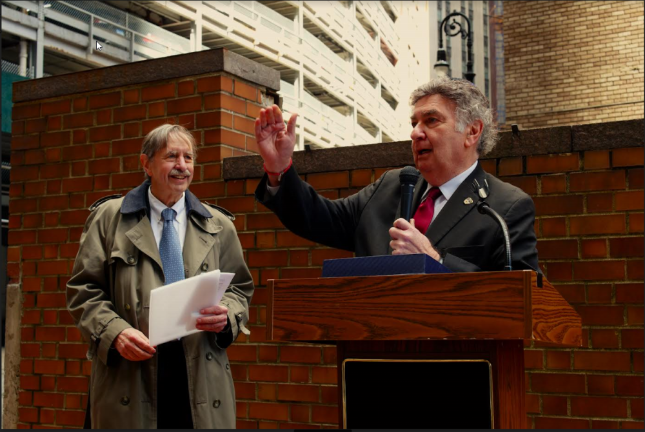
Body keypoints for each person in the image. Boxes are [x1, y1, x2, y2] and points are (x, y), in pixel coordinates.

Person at [67, 124, 254, 429]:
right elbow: (83, 290)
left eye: (188, 158)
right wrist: (115, 332)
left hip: (199, 373)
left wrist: (228, 315)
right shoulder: (109, 219)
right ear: (146, 164)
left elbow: (239, 289)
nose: (182, 166)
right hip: (131, 369)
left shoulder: (219, 225)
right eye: (171, 156)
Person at [253, 77, 538, 272]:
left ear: (472, 132)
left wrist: (434, 261)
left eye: (431, 120)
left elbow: (519, 298)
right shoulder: (392, 185)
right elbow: (318, 218)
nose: (415, 133)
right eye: (414, 123)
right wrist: (279, 168)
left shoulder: (505, 208)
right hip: (370, 355)